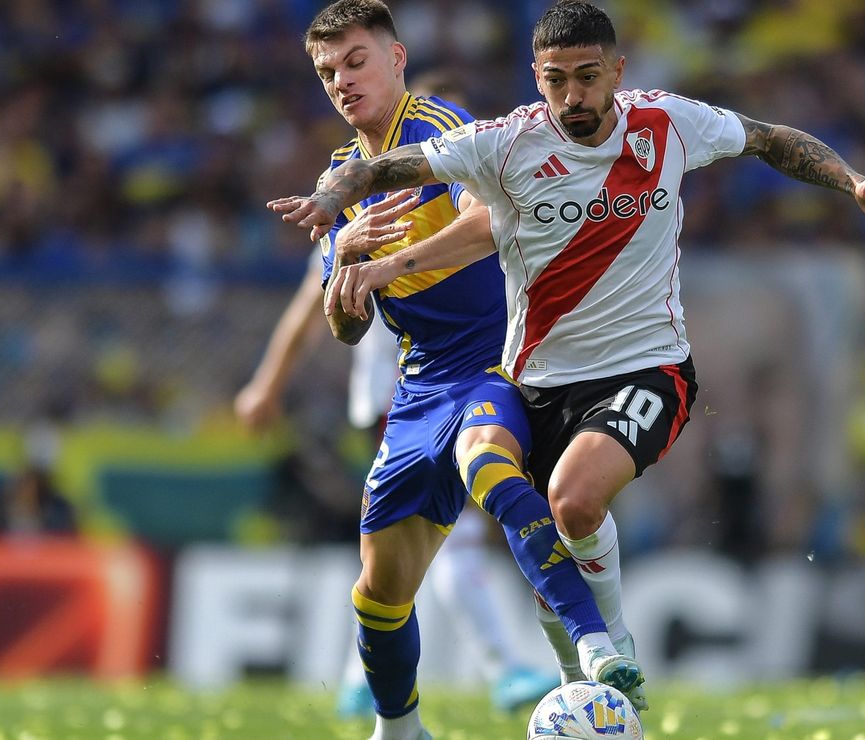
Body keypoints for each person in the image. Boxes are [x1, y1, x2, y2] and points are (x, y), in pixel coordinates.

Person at [268, 0, 865, 715]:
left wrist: (851, 180)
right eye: (555, 80)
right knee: (441, 568)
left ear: (617, 72)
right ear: (537, 78)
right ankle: (526, 699)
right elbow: (366, 226)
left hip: (613, 367)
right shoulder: (496, 144)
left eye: (587, 77)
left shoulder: (657, 122)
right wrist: (338, 225)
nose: (572, 95)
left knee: (547, 490)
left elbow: (766, 138)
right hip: (510, 380)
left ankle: (603, 641)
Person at [273, 3, 642, 739]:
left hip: (502, 358)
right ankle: (400, 731)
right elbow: (347, 327)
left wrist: (390, 263)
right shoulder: (339, 180)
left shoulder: (440, 129)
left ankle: (595, 643)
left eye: (356, 61)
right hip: (420, 386)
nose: (342, 81)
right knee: (379, 591)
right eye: (327, 72)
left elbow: (488, 224)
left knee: (487, 465)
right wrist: (349, 258)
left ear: (396, 59)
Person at [236, 68, 565, 717]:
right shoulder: (362, 202)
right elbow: (313, 308)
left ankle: (361, 676)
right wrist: (267, 383)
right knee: (445, 533)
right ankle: (502, 666)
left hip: (470, 375)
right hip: (402, 389)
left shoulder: (482, 193)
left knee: (405, 547)